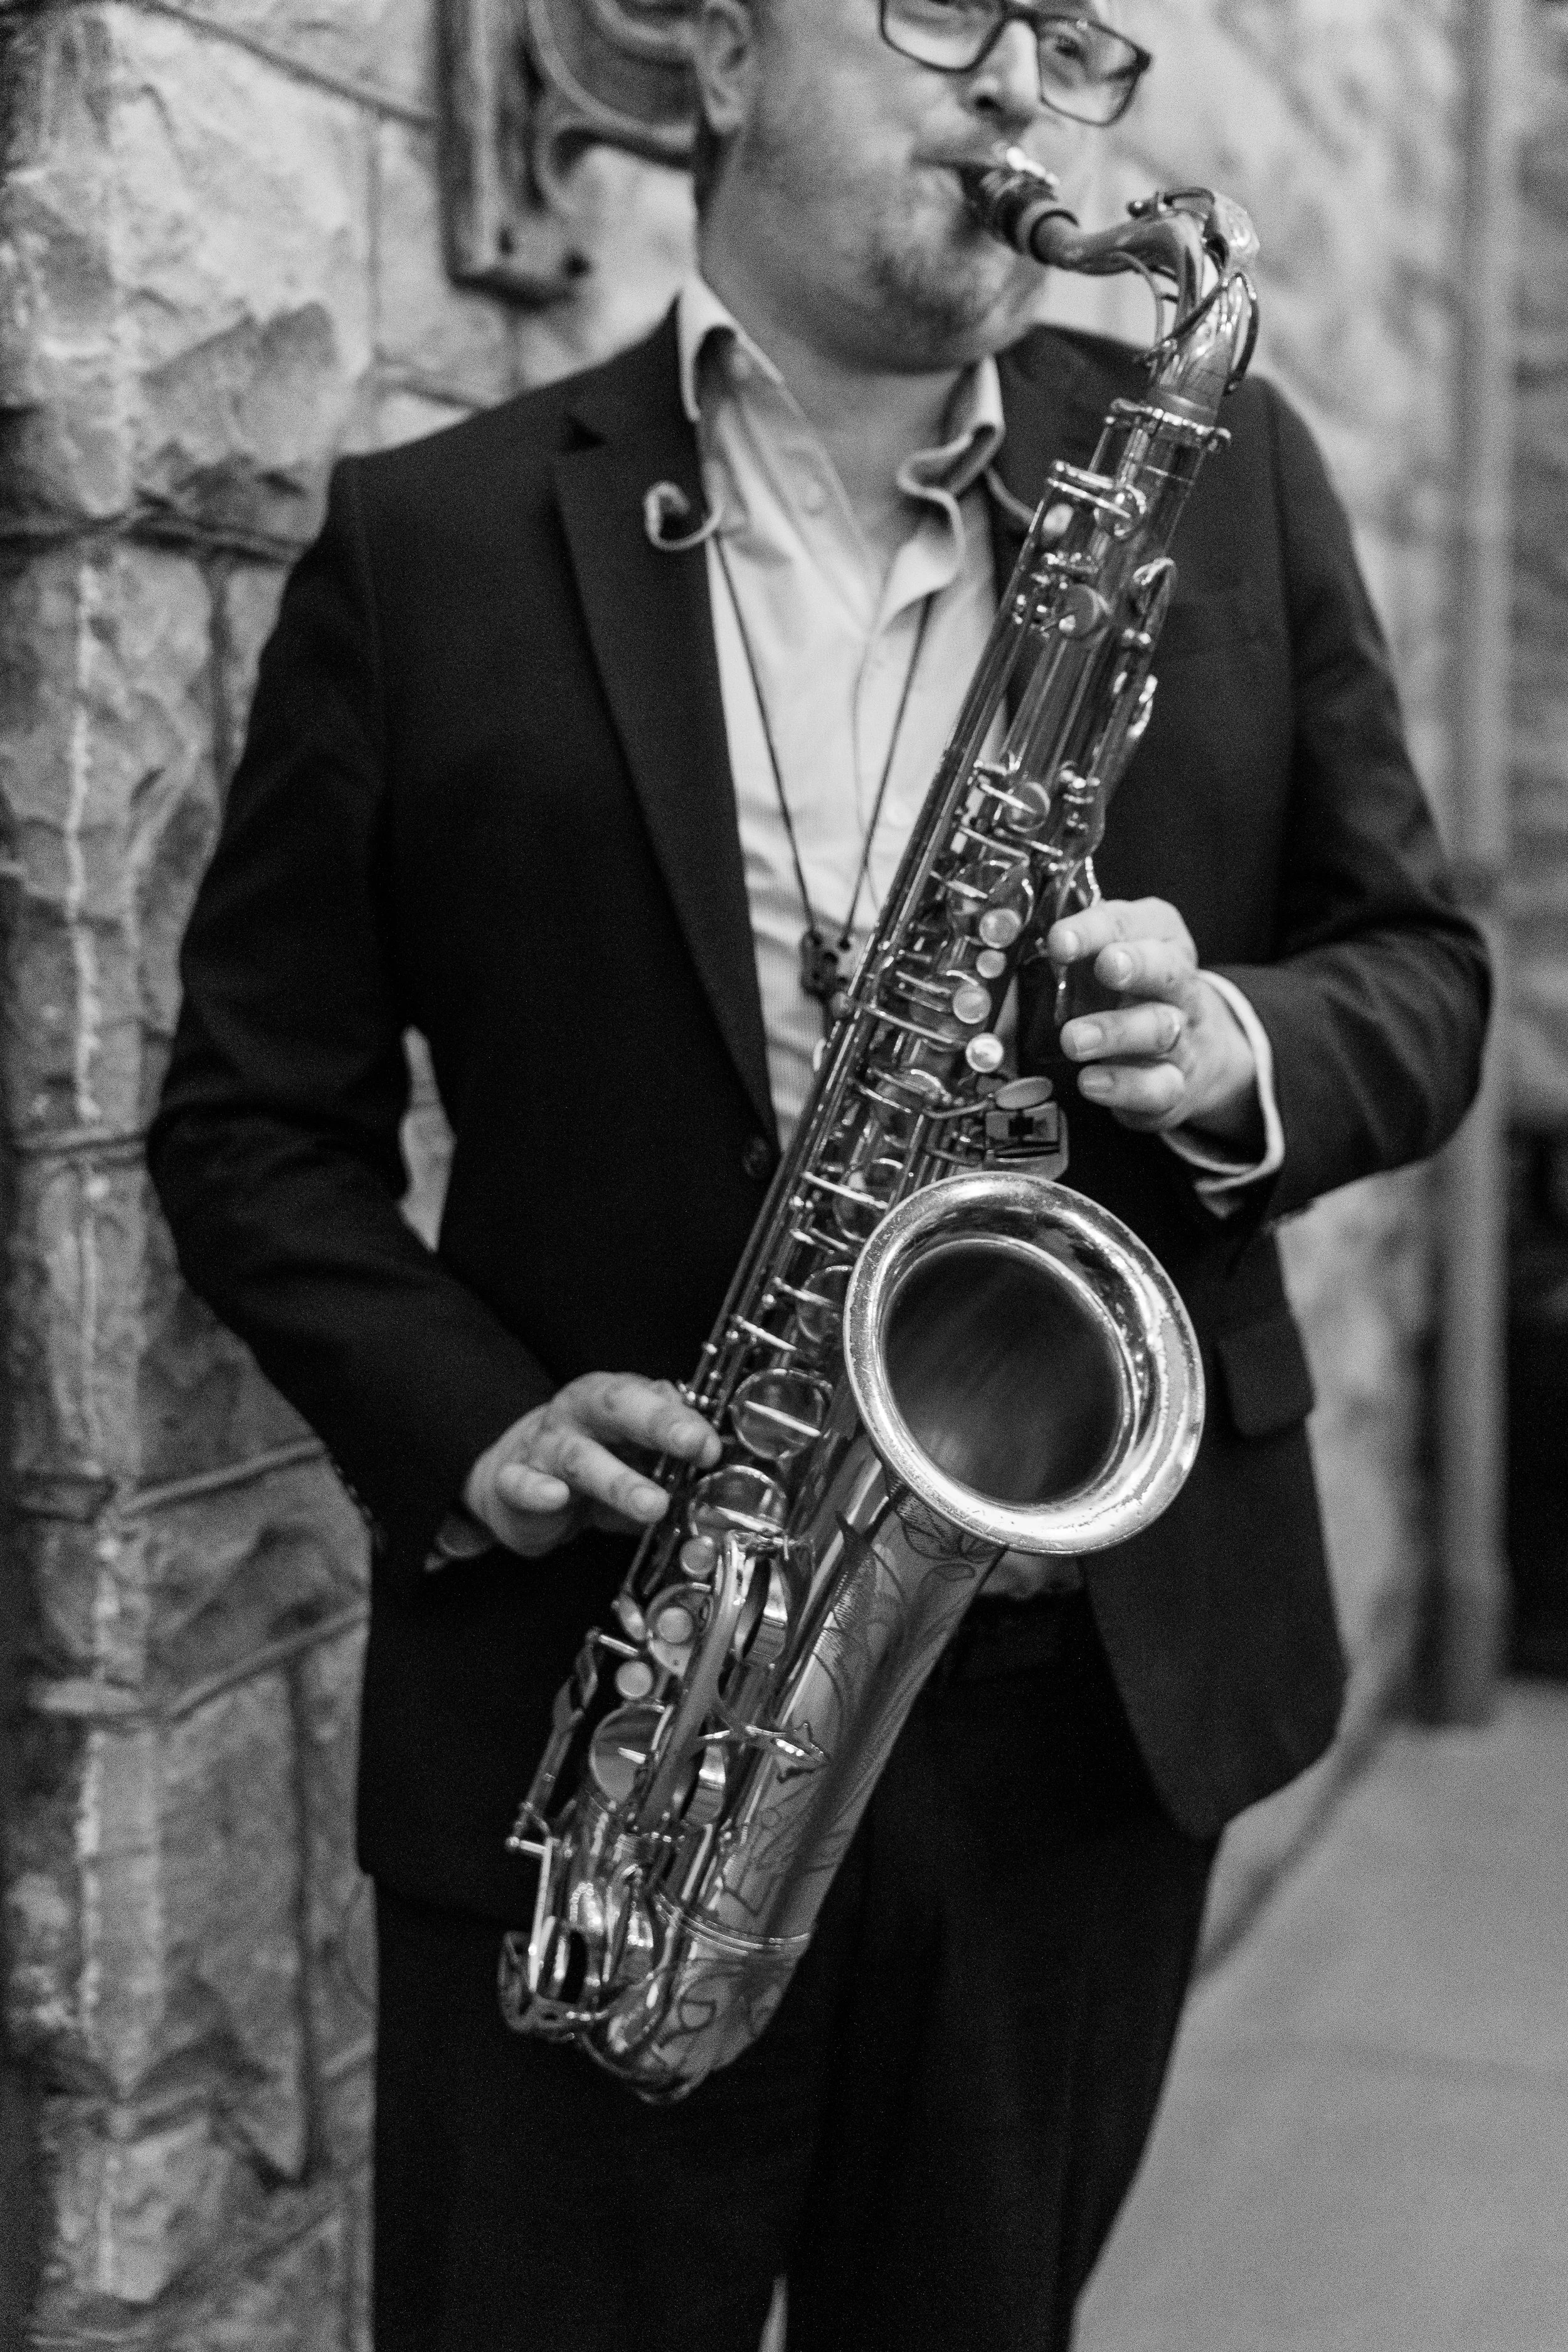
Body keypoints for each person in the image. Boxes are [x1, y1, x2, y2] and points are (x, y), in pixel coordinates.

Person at [148, 3, 1490, 2347]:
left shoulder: (1220, 467)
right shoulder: (431, 544)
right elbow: (254, 1124)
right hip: (605, 1701)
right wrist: (475, 1416)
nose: (1016, 95)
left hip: (1083, 1724)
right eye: (948, 15)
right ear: (725, 52)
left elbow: (1418, 974)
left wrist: (1243, 1038)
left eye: (1068, 44)